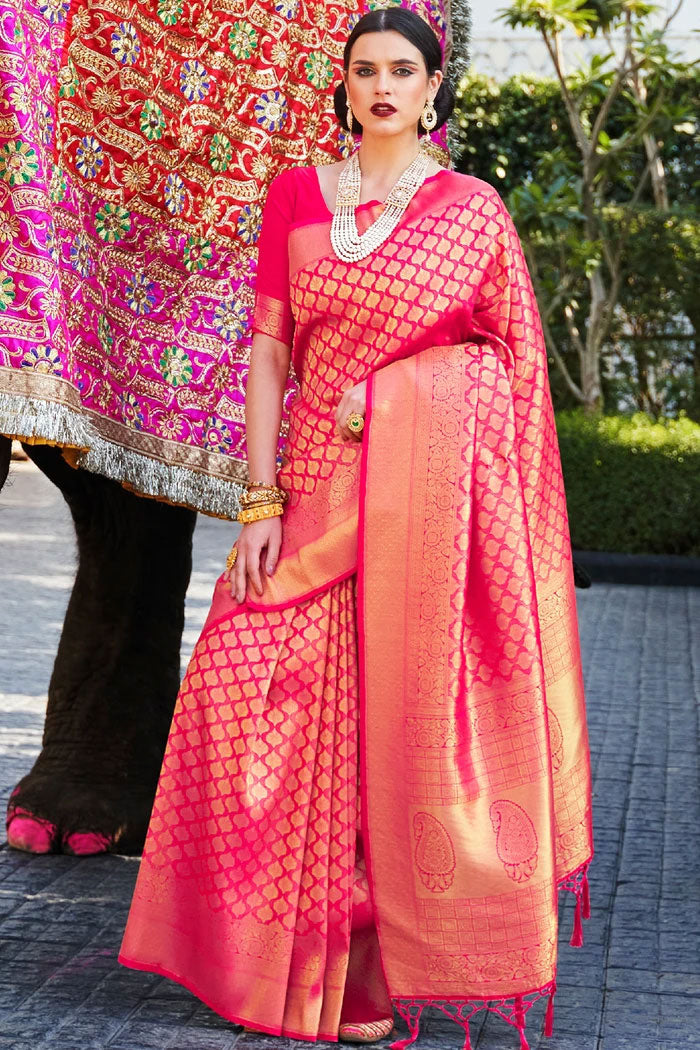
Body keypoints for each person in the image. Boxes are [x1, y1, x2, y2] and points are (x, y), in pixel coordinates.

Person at [119, 7, 594, 1047]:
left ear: (434, 89)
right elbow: (267, 355)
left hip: (417, 511)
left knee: (387, 731)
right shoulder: (295, 195)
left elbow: (508, 374)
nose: (382, 87)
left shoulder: (471, 212)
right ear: (342, 85)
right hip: (308, 498)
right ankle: (251, 960)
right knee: (238, 698)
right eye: (364, 71)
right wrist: (256, 500)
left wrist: (397, 401)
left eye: (402, 71)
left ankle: (361, 977)